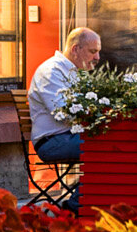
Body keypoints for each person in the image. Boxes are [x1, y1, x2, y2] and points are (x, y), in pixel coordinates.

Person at [27, 25, 100, 171]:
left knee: (115, 143)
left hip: (69, 137)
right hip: (52, 141)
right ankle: (80, 195)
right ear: (75, 49)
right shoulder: (52, 71)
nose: (97, 58)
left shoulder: (75, 72)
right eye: (93, 52)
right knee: (106, 147)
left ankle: (88, 193)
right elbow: (63, 113)